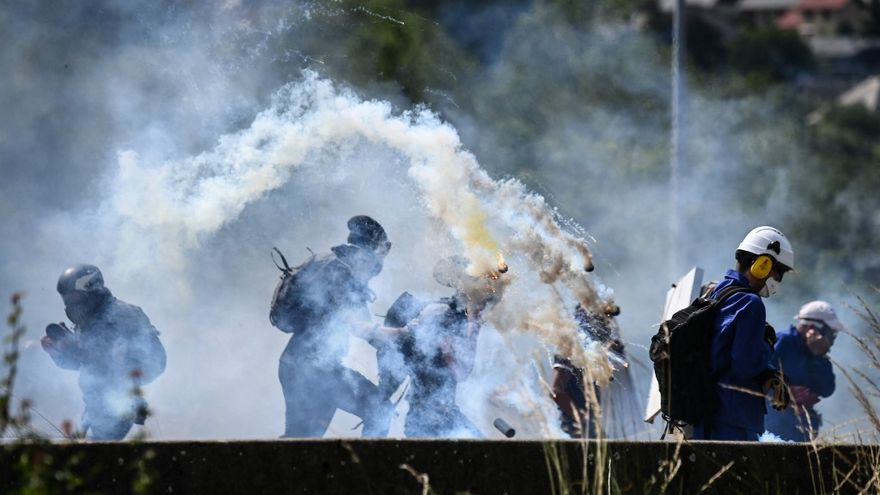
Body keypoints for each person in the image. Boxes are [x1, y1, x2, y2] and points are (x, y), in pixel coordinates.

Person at [273, 215, 392, 437]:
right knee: (379, 409)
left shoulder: (330, 264)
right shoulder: (342, 273)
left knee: (302, 441)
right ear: (368, 254)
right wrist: (402, 336)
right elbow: (359, 325)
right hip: (315, 371)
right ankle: (370, 461)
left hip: (296, 365)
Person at [41, 264, 166, 440]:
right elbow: (85, 363)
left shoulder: (124, 315)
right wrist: (61, 353)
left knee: (94, 452)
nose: (70, 304)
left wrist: (125, 361)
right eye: (67, 299)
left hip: (119, 407)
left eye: (75, 297)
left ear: (90, 289)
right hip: (93, 409)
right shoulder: (87, 321)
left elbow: (158, 361)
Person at [692, 226, 794, 441]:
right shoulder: (750, 302)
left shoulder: (718, 291)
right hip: (733, 419)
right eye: (779, 272)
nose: (778, 279)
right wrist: (767, 345)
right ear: (763, 265)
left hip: (707, 415)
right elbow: (746, 365)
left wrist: (767, 374)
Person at [398, 255, 505, 438]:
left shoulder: (458, 315)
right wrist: (474, 321)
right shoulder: (445, 313)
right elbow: (461, 370)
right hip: (429, 421)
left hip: (442, 416)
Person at [765, 301, 840, 441]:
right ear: (812, 328)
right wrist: (785, 392)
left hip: (800, 428)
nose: (831, 341)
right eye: (830, 334)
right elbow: (758, 376)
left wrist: (817, 355)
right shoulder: (784, 341)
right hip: (775, 427)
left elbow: (827, 389)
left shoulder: (817, 350)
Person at [551, 304, 625, 438]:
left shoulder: (593, 352)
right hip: (574, 431)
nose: (606, 325)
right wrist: (583, 418)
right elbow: (556, 392)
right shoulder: (569, 349)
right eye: (601, 320)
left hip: (592, 427)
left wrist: (611, 353)